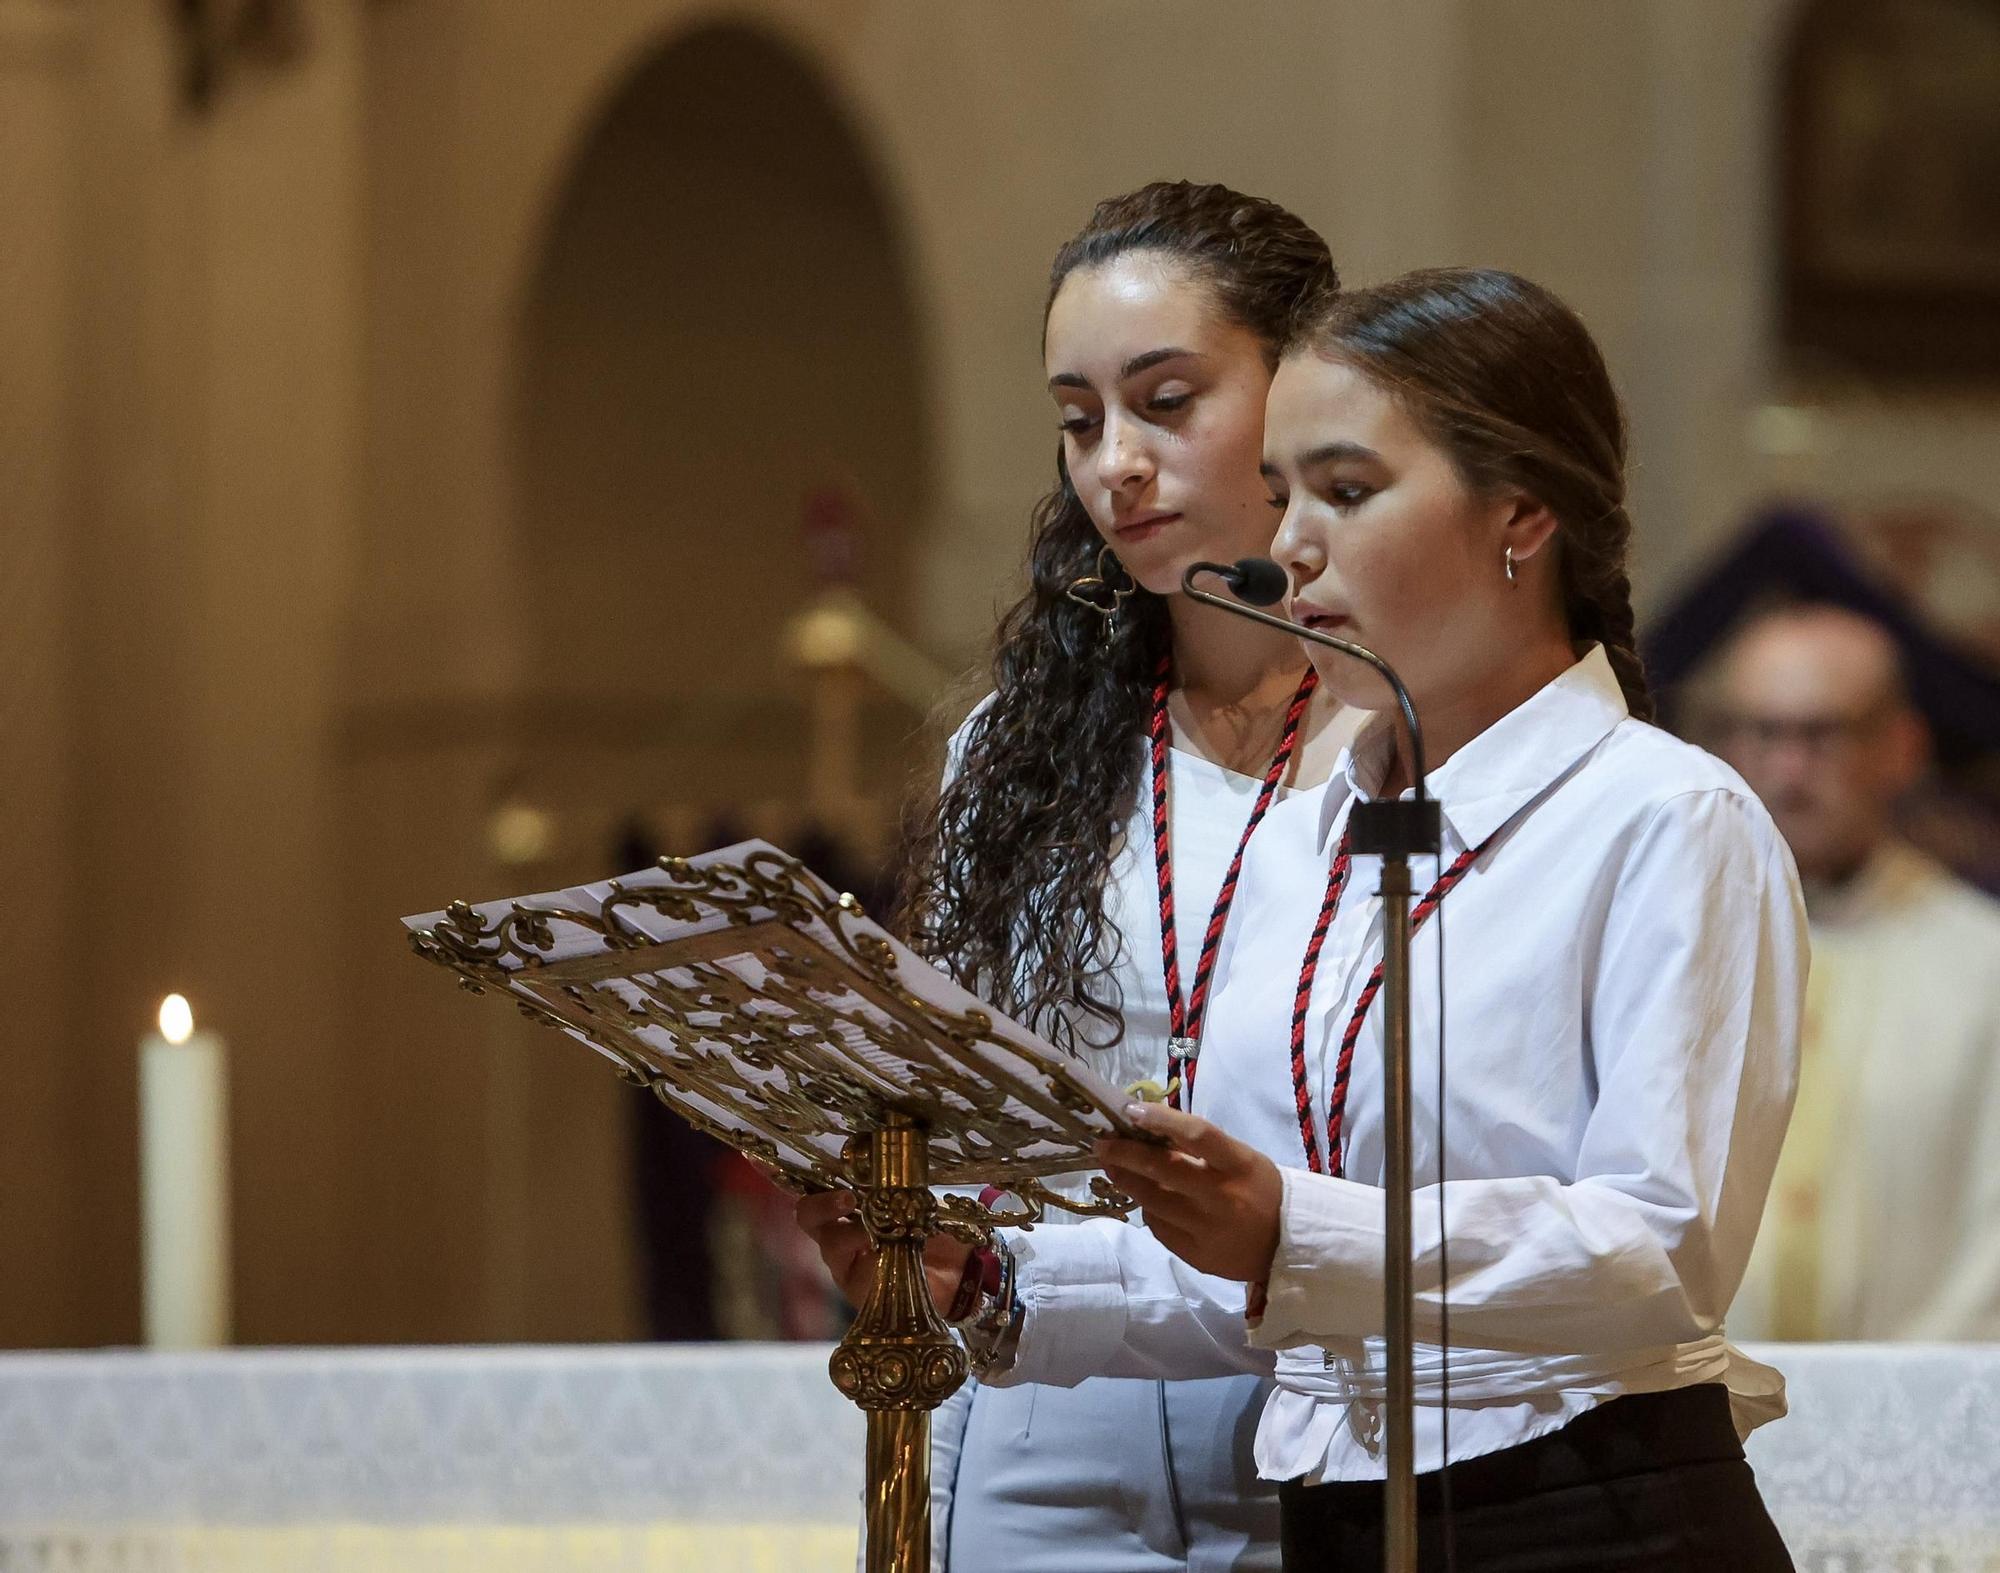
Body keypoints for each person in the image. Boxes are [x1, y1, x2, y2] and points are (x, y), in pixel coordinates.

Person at [818, 267, 1804, 1571]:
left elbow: (1657, 1249)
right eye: (1281, 495)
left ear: (1523, 514)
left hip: (1589, 1510)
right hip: (1332, 1520)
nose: (1288, 547)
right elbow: (1276, 1284)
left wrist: (1291, 1227)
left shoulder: (1667, 818)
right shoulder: (1312, 838)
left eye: (1344, 491)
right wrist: (992, 1284)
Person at [805, 182, 1355, 1571]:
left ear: (1303, 389)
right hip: (1050, 1397)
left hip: (1315, 1392)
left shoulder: (1402, 734)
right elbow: (964, 1071)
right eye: (1079, 417)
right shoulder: (1022, 739)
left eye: (1166, 400)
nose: (1115, 461)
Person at [1710, 604, 2000, 1340]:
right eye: (1762, 732)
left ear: (1901, 747)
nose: (1787, 767)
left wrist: (1902, 1402)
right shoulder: (1670, 946)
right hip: (1694, 1417)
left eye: (1821, 733)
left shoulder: (1981, 961)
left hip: (1929, 1413)